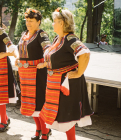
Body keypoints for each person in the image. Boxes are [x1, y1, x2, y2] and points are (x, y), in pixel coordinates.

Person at [38, 8, 94, 140]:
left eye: (54, 21)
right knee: (62, 116)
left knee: (68, 117)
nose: (52, 24)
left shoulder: (70, 39)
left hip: (66, 85)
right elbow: (57, 58)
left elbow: (84, 53)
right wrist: (46, 64)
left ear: (62, 23)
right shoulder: (58, 38)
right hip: (55, 83)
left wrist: (79, 72)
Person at [15, 8, 52, 140]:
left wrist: (45, 62)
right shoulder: (24, 34)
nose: (28, 23)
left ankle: (45, 131)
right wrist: (18, 59)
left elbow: (48, 49)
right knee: (30, 103)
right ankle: (38, 128)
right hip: (25, 74)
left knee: (39, 103)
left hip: (38, 74)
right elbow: (22, 51)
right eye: (27, 20)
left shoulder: (42, 35)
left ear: (39, 21)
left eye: (31, 21)